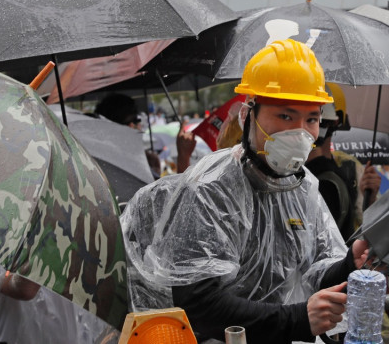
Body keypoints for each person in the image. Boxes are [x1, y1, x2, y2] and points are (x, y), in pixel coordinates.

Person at [121, 39, 371, 344]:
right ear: (250, 112)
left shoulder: (304, 186)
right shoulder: (211, 189)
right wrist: (296, 319)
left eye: (312, 119)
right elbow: (200, 303)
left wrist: (349, 266)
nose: (300, 133)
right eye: (285, 116)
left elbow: (315, 271)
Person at [305, 84, 381, 240]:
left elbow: (369, 226)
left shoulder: (350, 167)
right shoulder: (288, 170)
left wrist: (371, 198)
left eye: (314, 119)